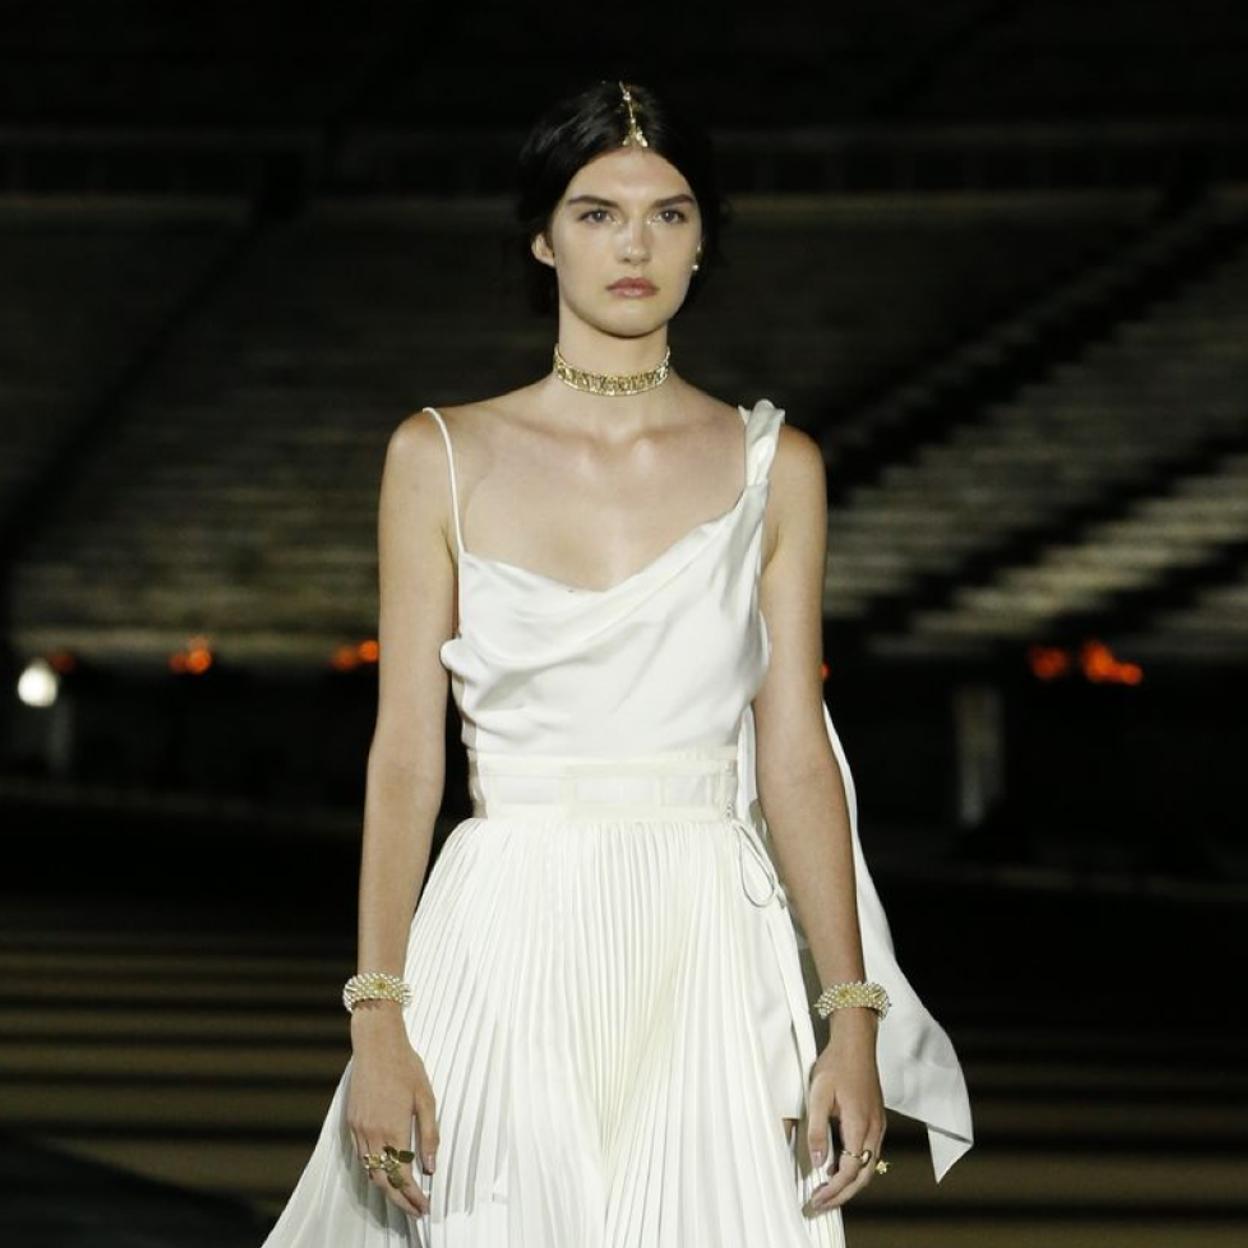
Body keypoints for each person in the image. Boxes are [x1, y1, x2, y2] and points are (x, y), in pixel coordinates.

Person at [261, 79, 972, 1248]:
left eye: (668, 214)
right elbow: (405, 759)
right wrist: (377, 1018)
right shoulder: (438, 454)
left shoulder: (777, 466)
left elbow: (796, 754)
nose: (634, 244)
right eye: (597, 213)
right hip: (503, 929)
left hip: (711, 943)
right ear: (544, 240)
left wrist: (851, 1015)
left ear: (702, 242)